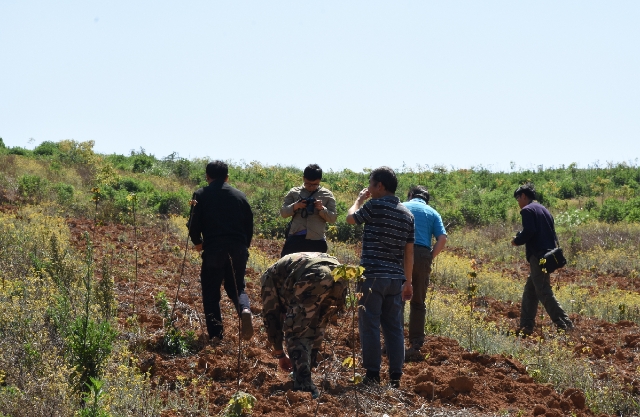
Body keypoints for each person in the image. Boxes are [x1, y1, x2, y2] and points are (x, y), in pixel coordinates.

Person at [346, 166, 414, 388]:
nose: (369, 188)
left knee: (370, 324)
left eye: (371, 184)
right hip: (395, 279)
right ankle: (395, 375)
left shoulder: (373, 206)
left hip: (373, 276)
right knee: (394, 327)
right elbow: (409, 251)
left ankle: (373, 374)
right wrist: (408, 281)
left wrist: (358, 200)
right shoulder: (407, 214)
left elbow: (350, 218)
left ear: (380, 186)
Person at [261, 252, 346, 398]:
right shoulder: (286, 269)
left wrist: (279, 353)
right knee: (317, 324)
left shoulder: (268, 278)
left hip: (314, 276)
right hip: (341, 275)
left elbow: (271, 317)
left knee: (294, 330)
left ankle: (304, 387)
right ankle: (305, 369)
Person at [189, 160, 254, 343]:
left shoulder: (201, 194)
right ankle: (245, 310)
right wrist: (244, 246)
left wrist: (197, 242)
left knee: (211, 292)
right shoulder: (240, 196)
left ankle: (216, 336)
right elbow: (249, 224)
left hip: (214, 249)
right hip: (238, 248)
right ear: (227, 177)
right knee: (237, 286)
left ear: (207, 177)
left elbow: (194, 222)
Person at [511, 183, 573, 335]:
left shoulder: (527, 210)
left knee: (543, 291)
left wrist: (517, 240)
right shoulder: (543, 209)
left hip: (538, 257)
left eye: (518, 198)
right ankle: (526, 325)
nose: (518, 202)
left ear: (524, 196)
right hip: (548, 254)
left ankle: (565, 324)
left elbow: (530, 231)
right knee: (530, 291)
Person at [402, 185, 447, 357]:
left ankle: (393, 343)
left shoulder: (402, 206)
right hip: (422, 254)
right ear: (426, 199)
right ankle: (415, 345)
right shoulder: (433, 213)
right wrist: (429, 257)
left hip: (401, 252)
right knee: (418, 302)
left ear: (411, 194)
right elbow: (442, 238)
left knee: (396, 300)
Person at [280, 164, 337, 256]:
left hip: (317, 240)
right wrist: (296, 206)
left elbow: (333, 218)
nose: (311, 187)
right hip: (295, 238)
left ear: (320, 180)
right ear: (303, 178)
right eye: (308, 184)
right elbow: (283, 213)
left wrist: (322, 209)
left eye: (315, 184)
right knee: (286, 268)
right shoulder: (294, 192)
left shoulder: (327, 195)